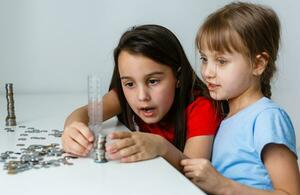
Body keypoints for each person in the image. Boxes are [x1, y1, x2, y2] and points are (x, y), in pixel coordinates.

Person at [181, 2, 300, 195]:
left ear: (258, 64)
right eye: (204, 59)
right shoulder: (226, 116)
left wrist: (223, 186)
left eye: (221, 61)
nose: (208, 72)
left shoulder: (267, 117)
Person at [62, 24, 221, 170]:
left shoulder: (202, 107)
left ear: (178, 77)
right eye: (129, 83)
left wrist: (161, 147)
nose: (142, 96)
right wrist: (72, 130)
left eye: (153, 81)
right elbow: (83, 113)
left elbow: (195, 173)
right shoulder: (123, 96)